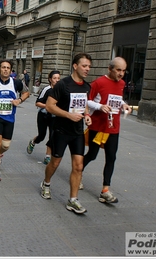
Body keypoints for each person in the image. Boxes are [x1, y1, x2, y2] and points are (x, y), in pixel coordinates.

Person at [40, 53, 92, 214]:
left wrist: (87, 116)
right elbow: (49, 106)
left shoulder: (86, 86)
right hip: (61, 130)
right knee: (55, 163)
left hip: (77, 132)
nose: (87, 69)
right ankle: (46, 183)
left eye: (89, 66)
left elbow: (85, 105)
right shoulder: (63, 84)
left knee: (78, 166)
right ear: (75, 66)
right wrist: (69, 115)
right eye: (84, 66)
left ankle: (73, 200)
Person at [82, 57, 132, 204]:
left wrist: (124, 105)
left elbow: (117, 98)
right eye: (118, 70)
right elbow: (87, 100)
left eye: (123, 70)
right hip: (97, 126)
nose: (121, 74)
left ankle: (105, 190)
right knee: (92, 154)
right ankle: (78, 172)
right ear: (110, 69)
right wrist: (100, 107)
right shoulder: (98, 83)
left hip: (113, 127)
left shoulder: (122, 83)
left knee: (111, 157)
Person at [0, 59, 30, 181]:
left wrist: (19, 100)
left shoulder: (17, 83)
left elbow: (26, 93)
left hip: (10, 117)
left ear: (10, 70)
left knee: (5, 145)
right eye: (3, 67)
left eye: (8, 68)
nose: (5, 70)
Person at [27, 70, 61, 164]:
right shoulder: (47, 89)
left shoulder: (61, 90)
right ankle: (33, 142)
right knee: (42, 136)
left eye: (58, 78)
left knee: (53, 136)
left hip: (54, 117)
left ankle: (47, 156)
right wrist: (48, 106)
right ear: (50, 79)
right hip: (44, 115)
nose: (57, 80)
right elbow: (37, 103)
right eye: (54, 78)